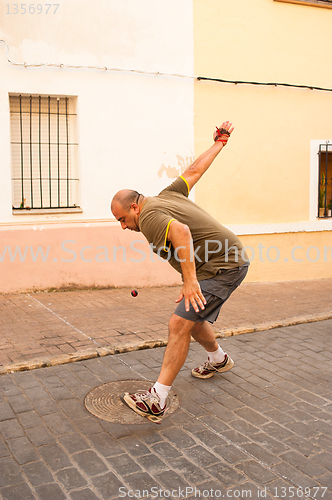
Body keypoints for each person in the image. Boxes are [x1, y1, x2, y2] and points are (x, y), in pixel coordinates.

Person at [111, 121, 249, 423]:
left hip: (224, 265)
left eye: (122, 219)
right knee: (192, 318)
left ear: (134, 207)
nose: (123, 226)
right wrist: (220, 142)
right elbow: (194, 171)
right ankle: (218, 359)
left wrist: (190, 282)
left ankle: (156, 399)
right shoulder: (166, 195)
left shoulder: (148, 217)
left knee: (178, 322)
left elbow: (182, 232)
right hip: (221, 262)